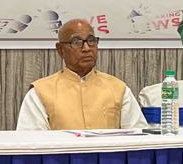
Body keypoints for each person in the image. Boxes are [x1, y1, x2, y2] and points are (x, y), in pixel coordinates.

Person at [17, 19, 146, 130]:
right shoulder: (40, 92)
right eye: (77, 42)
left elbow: (139, 137)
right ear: (61, 50)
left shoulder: (118, 88)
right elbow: (31, 142)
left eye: (91, 41)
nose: (87, 48)